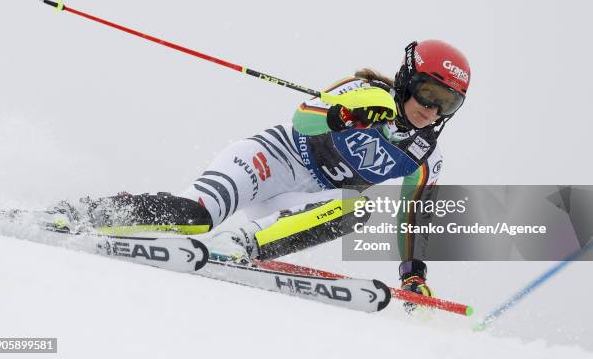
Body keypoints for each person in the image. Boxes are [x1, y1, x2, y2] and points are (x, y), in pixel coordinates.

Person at [48, 39, 471, 312]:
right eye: (427, 92)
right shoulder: (370, 92)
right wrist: (345, 115)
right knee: (195, 215)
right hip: (271, 160)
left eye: (446, 103)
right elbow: (303, 118)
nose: (430, 110)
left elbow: (411, 217)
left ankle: (239, 245)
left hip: (298, 203)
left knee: (355, 209)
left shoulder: (425, 156)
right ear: (407, 78)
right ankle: (82, 214)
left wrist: (413, 274)